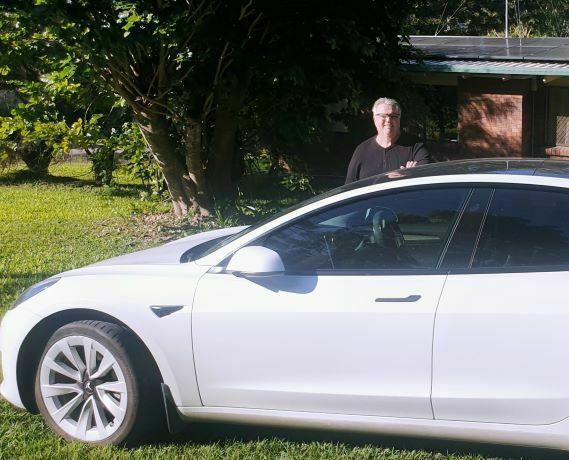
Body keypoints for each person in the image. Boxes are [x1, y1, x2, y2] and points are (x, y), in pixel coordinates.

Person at [345, 97, 430, 184]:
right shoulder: (362, 150)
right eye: (383, 116)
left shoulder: (416, 147)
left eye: (393, 116)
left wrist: (411, 177)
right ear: (374, 119)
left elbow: (426, 178)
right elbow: (349, 186)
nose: (388, 120)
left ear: (399, 119)